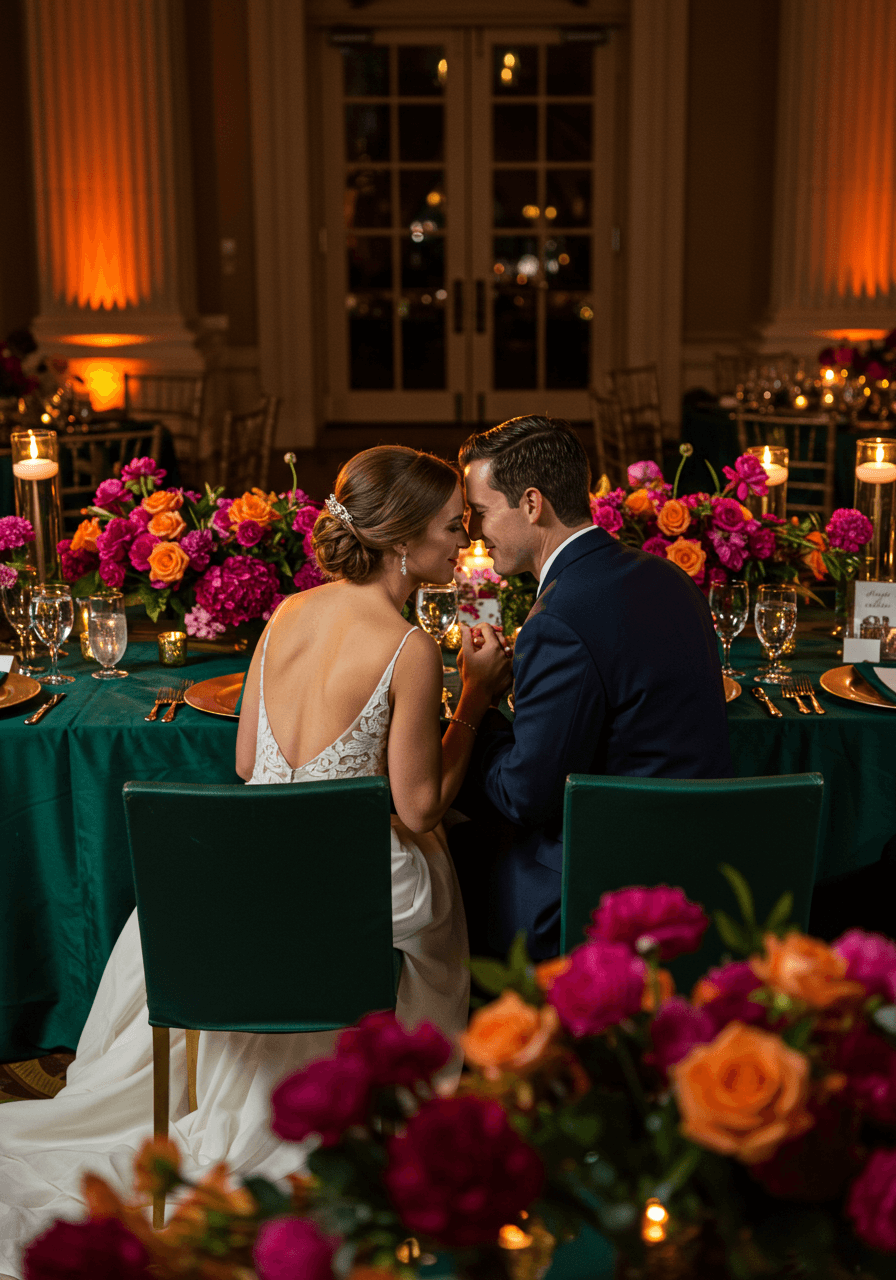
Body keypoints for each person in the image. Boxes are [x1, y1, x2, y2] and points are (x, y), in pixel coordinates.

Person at [0, 445, 510, 1276]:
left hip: (248, 868)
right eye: (454, 529)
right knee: (430, 879)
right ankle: (385, 1111)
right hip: (341, 877)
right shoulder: (410, 645)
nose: (464, 545)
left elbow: (246, 765)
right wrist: (476, 697)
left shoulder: (287, 614)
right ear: (399, 541)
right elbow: (418, 806)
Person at [450, 416, 732, 961]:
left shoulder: (559, 617)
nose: (476, 530)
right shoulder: (667, 577)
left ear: (531, 504)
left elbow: (523, 796)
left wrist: (477, 705)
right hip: (699, 870)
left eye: (481, 511)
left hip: (596, 892)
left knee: (440, 856)